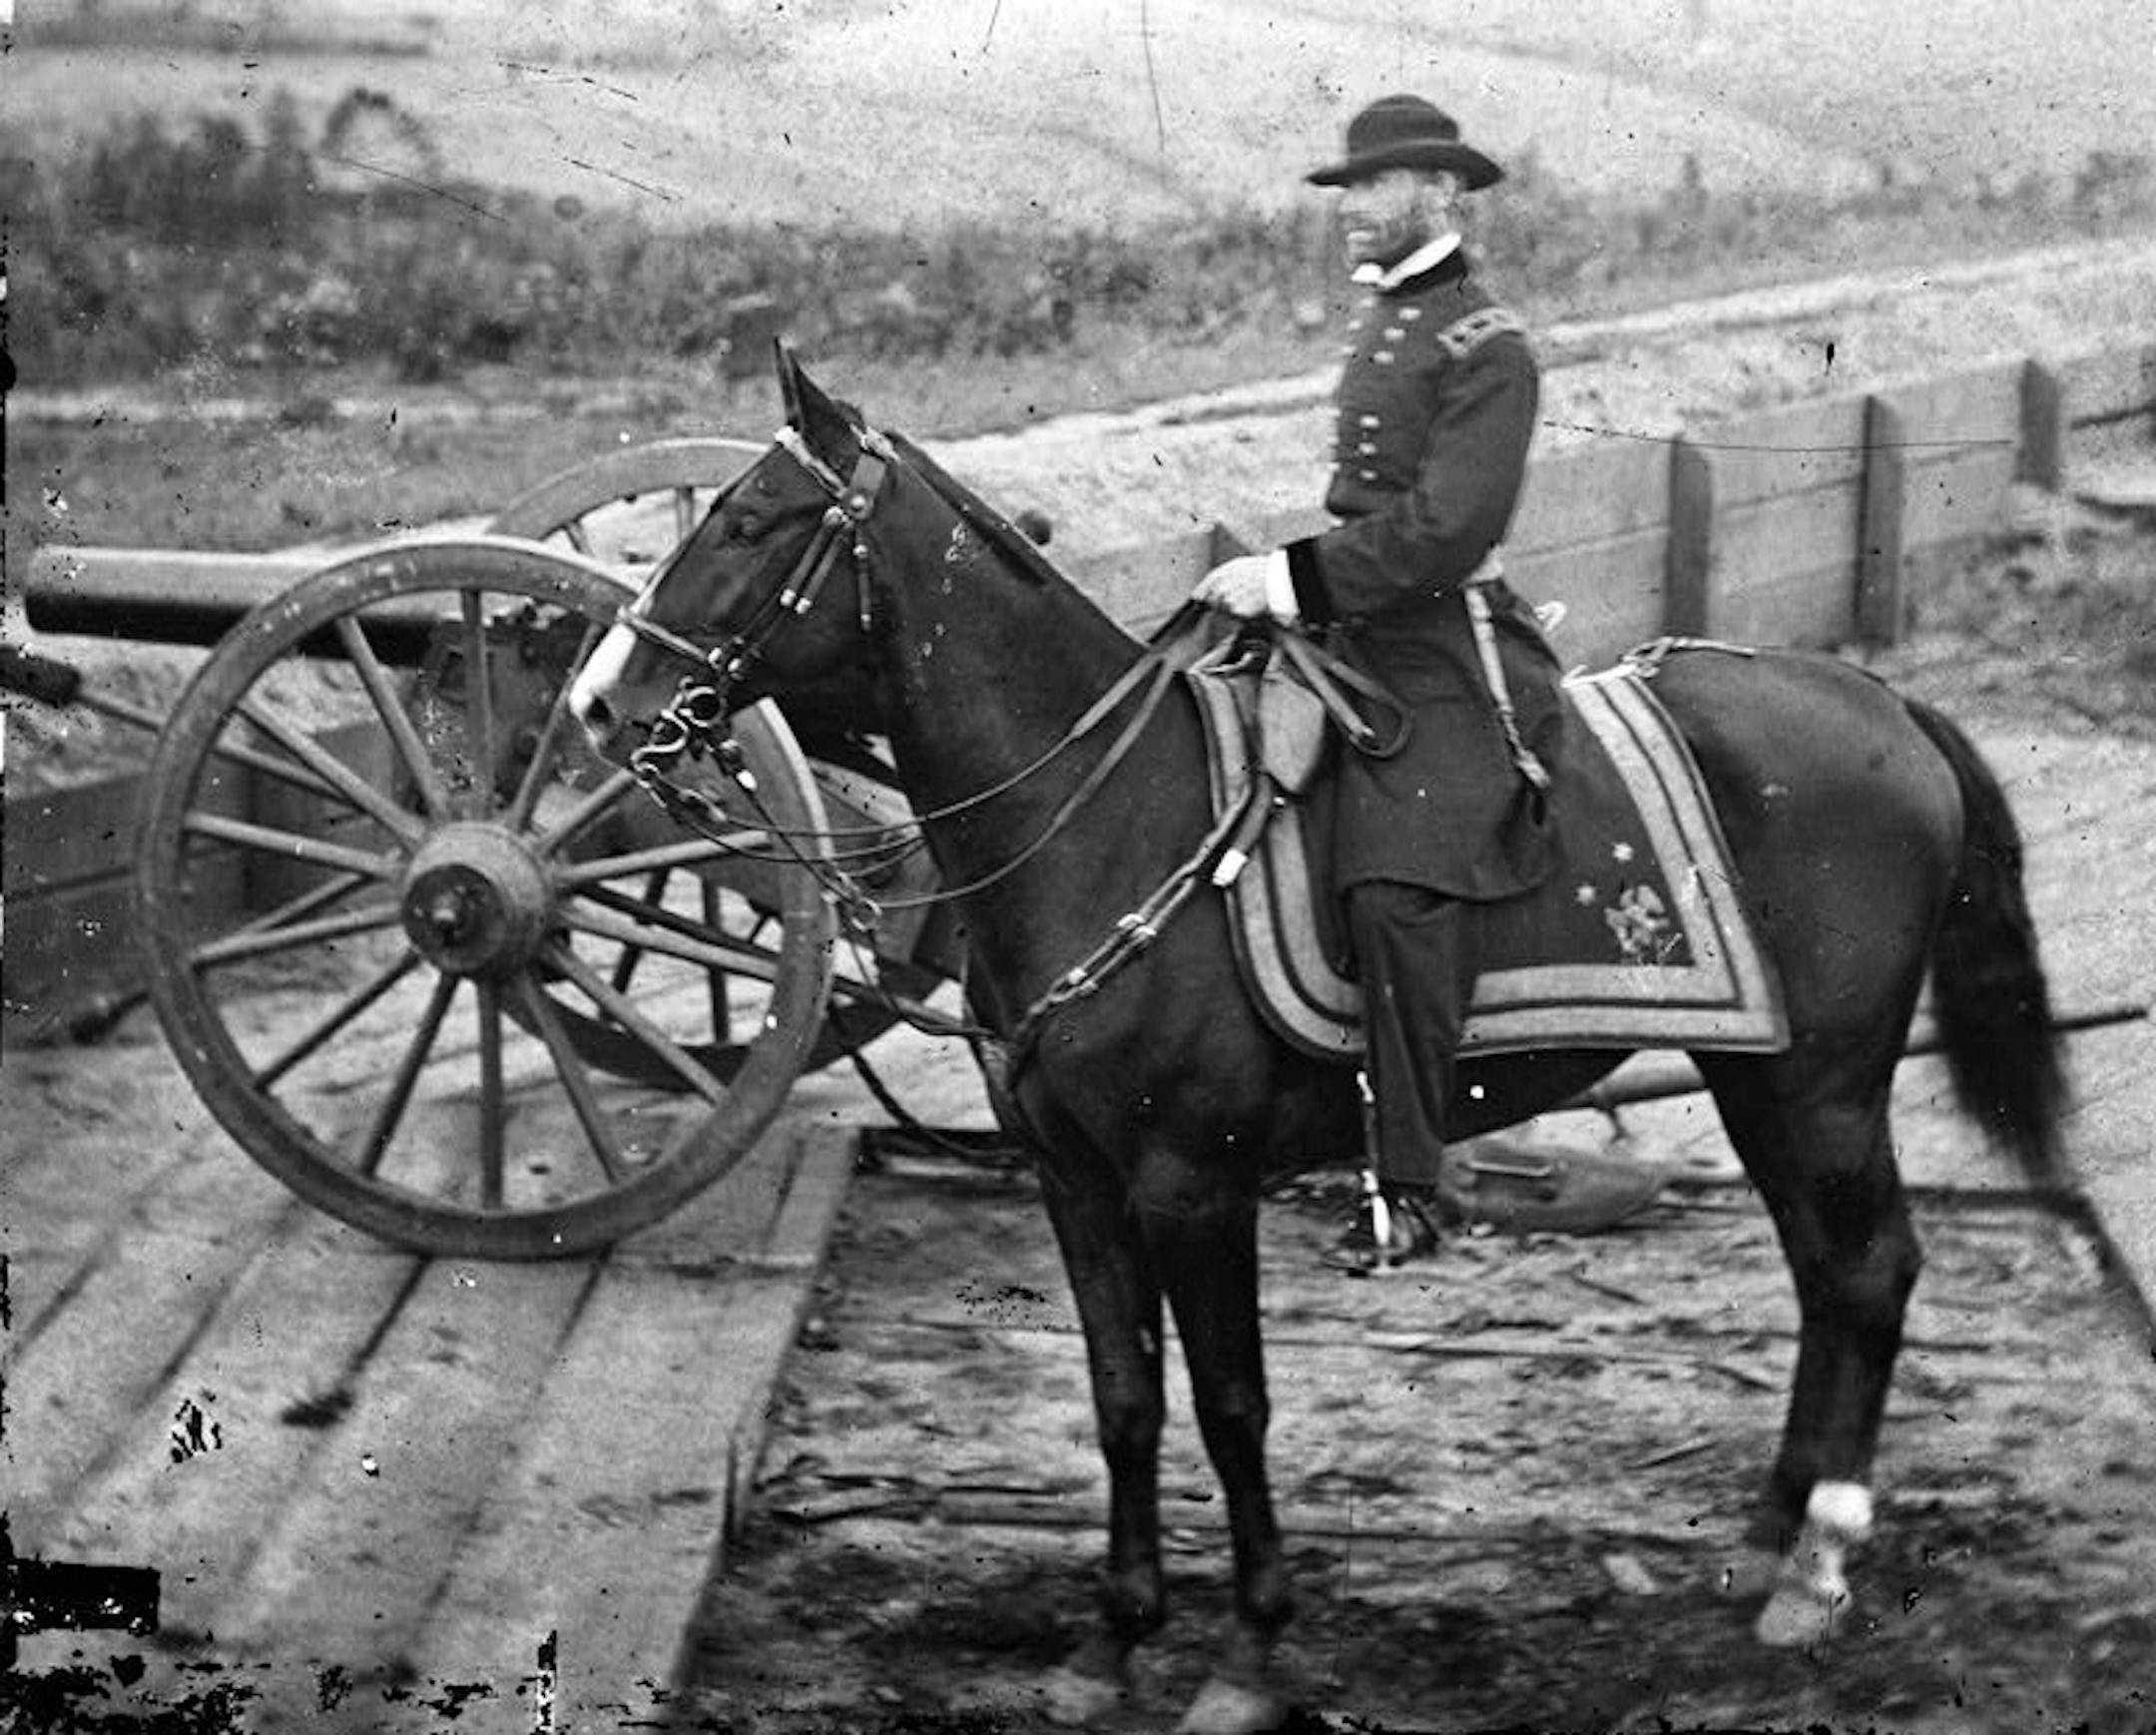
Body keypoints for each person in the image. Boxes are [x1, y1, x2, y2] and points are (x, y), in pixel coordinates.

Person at [1194, 94, 1566, 1273]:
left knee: (1400, 889)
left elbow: (1445, 531)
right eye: (1348, 192)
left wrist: (1290, 579)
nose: (1350, 211)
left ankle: (1408, 1182)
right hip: (1357, 624)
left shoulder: (1487, 343)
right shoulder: (1395, 317)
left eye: (1371, 190)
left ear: (1441, 194)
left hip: (1444, 646)